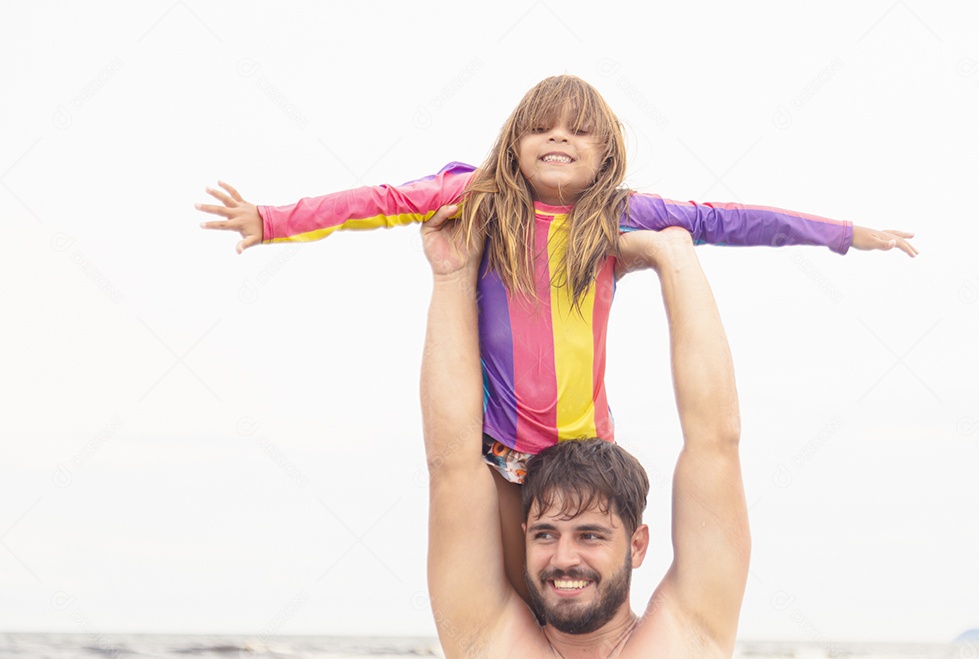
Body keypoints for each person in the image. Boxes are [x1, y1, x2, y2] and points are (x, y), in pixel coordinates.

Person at [197, 74, 915, 602]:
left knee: (585, 598)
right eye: (542, 127)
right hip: (501, 451)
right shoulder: (474, 195)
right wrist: (272, 219)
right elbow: (381, 203)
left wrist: (844, 235)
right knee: (512, 599)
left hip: (584, 450)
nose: (559, 137)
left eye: (579, 129)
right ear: (515, 144)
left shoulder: (621, 216)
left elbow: (729, 219)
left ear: (607, 154)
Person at [420, 208, 746, 659]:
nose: (563, 558)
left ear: (637, 544)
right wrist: (451, 275)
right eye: (545, 534)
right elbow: (450, 464)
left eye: (590, 535)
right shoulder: (488, 646)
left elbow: (715, 442)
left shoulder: (690, 635)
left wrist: (673, 258)